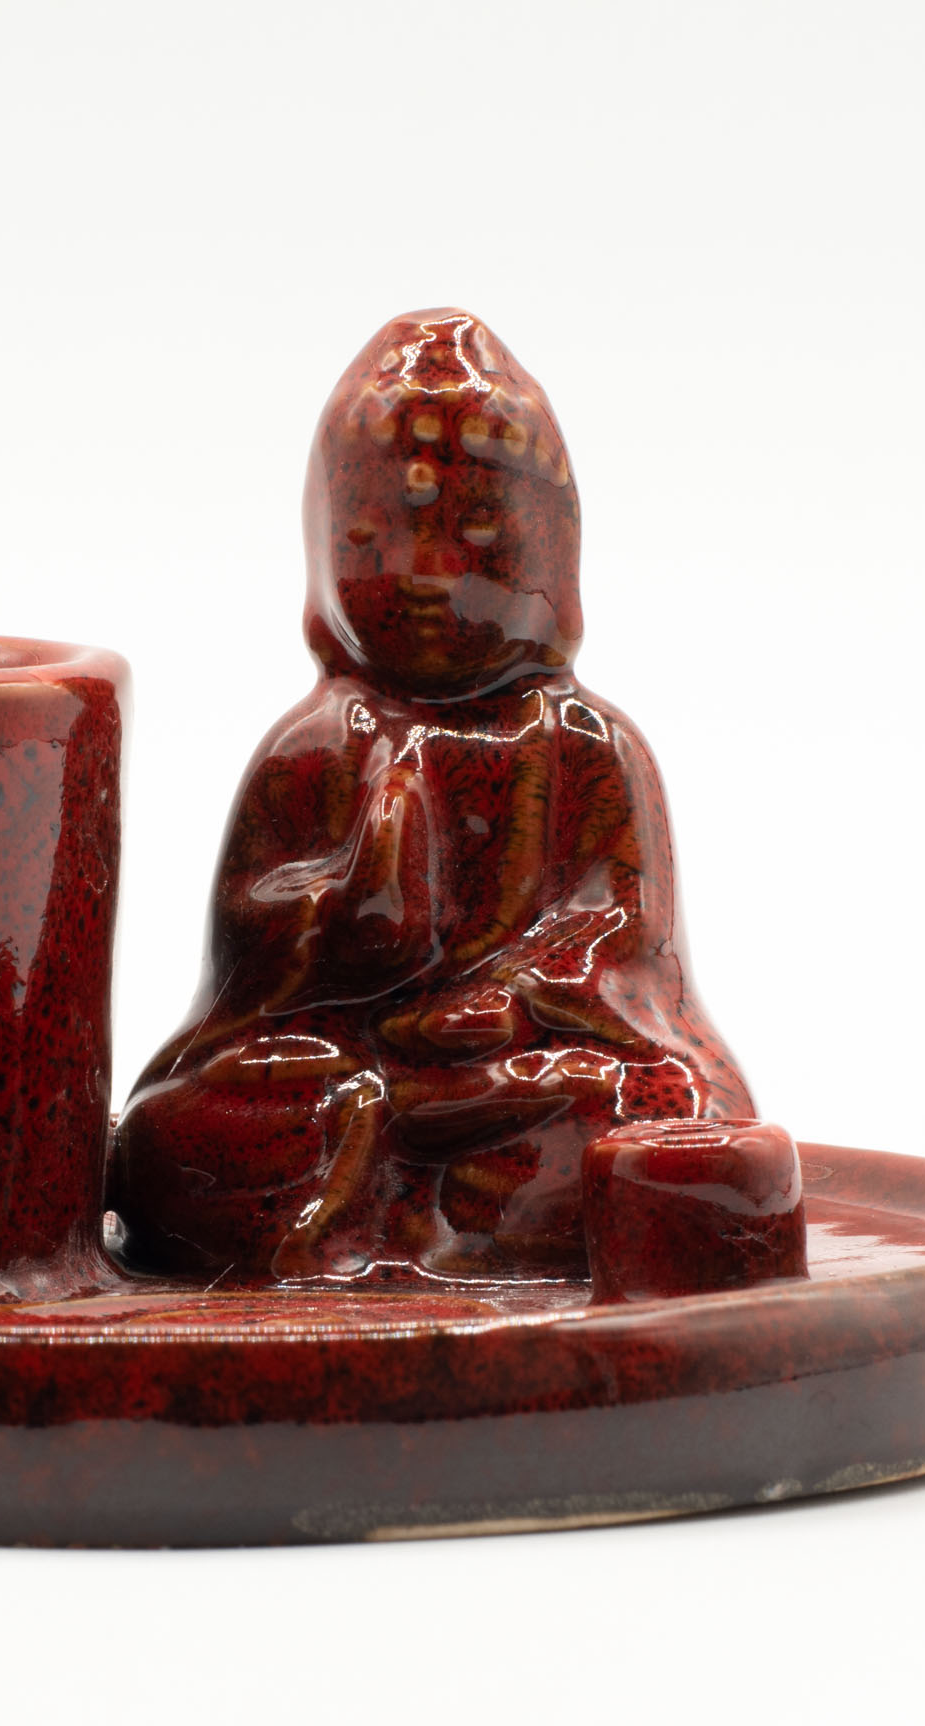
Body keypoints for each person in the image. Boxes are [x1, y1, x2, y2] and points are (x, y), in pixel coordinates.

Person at [109, 310, 755, 1281]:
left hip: (513, 1073)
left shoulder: (588, 748)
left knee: (667, 1109)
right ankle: (417, 1205)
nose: (426, 574)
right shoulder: (317, 747)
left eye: (478, 540)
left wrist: (511, 1000)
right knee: (167, 1140)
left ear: (551, 556)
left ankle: (417, 1207)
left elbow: (622, 942)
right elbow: (243, 960)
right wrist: (348, 906)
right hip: (343, 1070)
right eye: (375, 541)